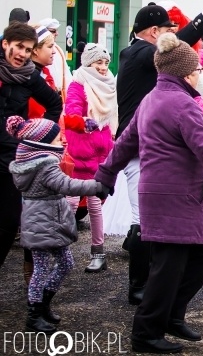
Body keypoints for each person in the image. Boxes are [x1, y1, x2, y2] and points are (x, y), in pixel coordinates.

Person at [94, 32, 203, 354]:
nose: (201, 75)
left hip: (173, 197)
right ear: (186, 73)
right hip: (174, 198)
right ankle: (146, 332)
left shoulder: (153, 99)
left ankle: (171, 315)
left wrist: (106, 174)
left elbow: (124, 144)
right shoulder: (183, 105)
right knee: (167, 267)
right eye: (197, 71)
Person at [115, 0, 203, 306]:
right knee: (142, 222)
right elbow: (177, 50)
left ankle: (151, 284)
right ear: (154, 33)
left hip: (149, 147)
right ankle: (139, 287)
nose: (171, 38)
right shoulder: (137, 54)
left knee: (153, 221)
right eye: (167, 31)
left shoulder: (137, 55)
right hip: (139, 149)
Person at [6, 115, 107, 332]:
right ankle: (34, 315)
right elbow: (66, 184)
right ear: (42, 142)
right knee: (41, 269)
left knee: (65, 263)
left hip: (45, 221)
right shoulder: (45, 165)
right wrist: (97, 186)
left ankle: (42, 305)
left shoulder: (32, 163)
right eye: (57, 137)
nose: (62, 140)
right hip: (42, 222)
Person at [0, 22, 63, 272]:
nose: (23, 54)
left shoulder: (29, 75)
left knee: (8, 221)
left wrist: (35, 136)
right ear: (5, 44)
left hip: (10, 160)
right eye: (19, 47)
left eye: (28, 49)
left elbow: (55, 104)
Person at [62, 43, 117, 272]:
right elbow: (71, 112)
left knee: (95, 205)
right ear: (88, 63)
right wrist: (83, 122)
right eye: (98, 63)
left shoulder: (110, 84)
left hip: (101, 153)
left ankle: (98, 253)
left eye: (105, 62)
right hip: (81, 153)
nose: (103, 67)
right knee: (71, 203)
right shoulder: (78, 84)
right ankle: (59, 250)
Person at [37, 18, 72, 101]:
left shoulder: (58, 49)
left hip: (58, 97)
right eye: (53, 31)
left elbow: (66, 75)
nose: (57, 34)